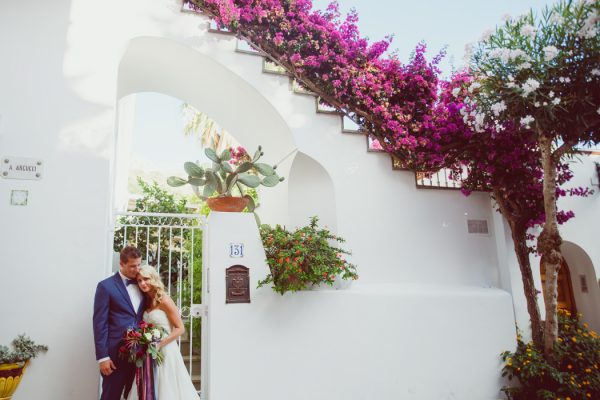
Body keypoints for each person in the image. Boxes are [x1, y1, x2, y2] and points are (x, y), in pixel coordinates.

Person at [127, 265, 200, 400]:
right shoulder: (145, 301)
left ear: (154, 278)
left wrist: (160, 344)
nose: (143, 283)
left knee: (166, 387)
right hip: (148, 352)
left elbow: (180, 328)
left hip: (166, 350)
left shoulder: (164, 300)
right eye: (139, 280)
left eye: (146, 279)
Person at [93, 246, 146, 400]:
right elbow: (99, 323)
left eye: (138, 265)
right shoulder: (105, 286)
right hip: (115, 355)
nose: (137, 270)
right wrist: (103, 357)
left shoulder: (143, 284)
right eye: (132, 266)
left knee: (135, 396)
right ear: (121, 264)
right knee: (111, 396)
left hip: (140, 355)